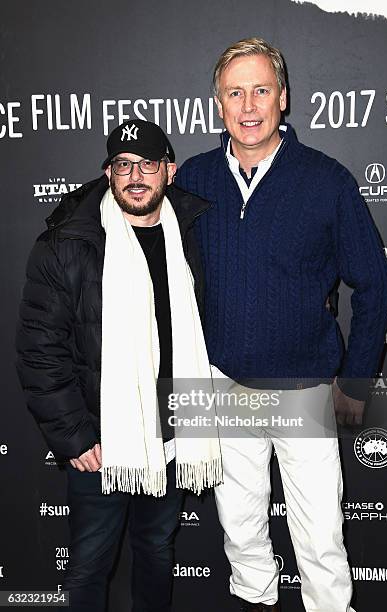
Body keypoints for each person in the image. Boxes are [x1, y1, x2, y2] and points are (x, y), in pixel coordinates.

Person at [175, 38, 387, 612]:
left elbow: (375, 284)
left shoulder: (327, 180)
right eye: (235, 92)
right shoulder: (191, 178)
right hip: (223, 388)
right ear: (217, 104)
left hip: (306, 391)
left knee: (320, 537)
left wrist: (357, 381)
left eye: (261, 90)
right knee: (240, 529)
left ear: (284, 98)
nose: (249, 106)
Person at [16, 119, 222, 612]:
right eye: (123, 164)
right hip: (101, 440)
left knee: (156, 550)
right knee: (90, 563)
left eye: (146, 164)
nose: (135, 176)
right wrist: (75, 436)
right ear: (107, 173)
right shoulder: (68, 242)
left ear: (168, 172)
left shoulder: (192, 235)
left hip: (172, 432)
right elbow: (40, 349)